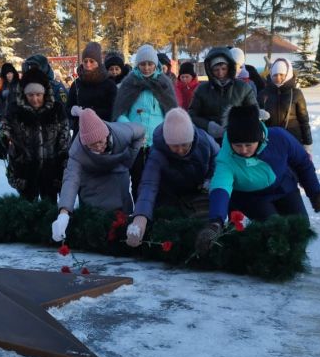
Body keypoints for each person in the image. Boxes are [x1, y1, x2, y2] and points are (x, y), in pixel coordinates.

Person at [196, 104, 320, 255]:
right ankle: (276, 266)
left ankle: (295, 262)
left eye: (248, 145)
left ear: (259, 138)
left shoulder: (279, 138)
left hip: (284, 188)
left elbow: (302, 162)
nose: (243, 150)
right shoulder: (226, 158)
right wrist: (215, 222)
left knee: (300, 227)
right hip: (253, 198)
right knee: (276, 231)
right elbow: (220, 187)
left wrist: (314, 192)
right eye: (238, 145)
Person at [125, 108, 219, 247]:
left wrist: (210, 180)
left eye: (184, 145)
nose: (180, 150)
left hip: (198, 192)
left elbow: (219, 161)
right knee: (167, 227)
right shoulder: (157, 153)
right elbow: (149, 185)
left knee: (203, 222)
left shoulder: (205, 142)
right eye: (174, 146)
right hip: (168, 195)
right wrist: (140, 218)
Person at [51, 108, 145, 241]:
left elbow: (140, 131)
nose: (99, 147)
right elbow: (71, 180)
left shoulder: (121, 132)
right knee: (94, 227)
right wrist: (63, 214)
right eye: (92, 145)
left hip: (117, 176)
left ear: (106, 135)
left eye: (101, 142)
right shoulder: (77, 151)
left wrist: (129, 159)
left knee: (121, 222)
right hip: (91, 181)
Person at [0, 66, 70, 202]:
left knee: (49, 210)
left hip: (51, 171)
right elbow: (3, 129)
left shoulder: (56, 110)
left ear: (45, 93)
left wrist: (63, 164)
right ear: (24, 94)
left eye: (38, 95)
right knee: (27, 211)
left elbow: (64, 139)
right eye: (30, 95)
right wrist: (0, 143)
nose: (35, 99)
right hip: (24, 171)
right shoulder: (15, 110)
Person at [112, 44, 177, 200]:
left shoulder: (164, 83)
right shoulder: (129, 84)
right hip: (136, 143)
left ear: (156, 64)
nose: (147, 68)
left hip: (158, 142)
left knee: (159, 180)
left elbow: (172, 113)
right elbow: (119, 112)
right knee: (138, 180)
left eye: (150, 64)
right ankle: (139, 216)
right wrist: (130, 127)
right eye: (143, 64)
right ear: (137, 64)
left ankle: (157, 215)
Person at [188, 46, 258, 145]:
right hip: (208, 140)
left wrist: (237, 125)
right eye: (216, 70)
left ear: (229, 67)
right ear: (210, 70)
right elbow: (192, 115)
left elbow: (253, 112)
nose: (220, 73)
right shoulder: (202, 89)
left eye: (223, 68)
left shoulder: (243, 88)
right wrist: (209, 126)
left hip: (237, 141)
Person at [259, 58, 313, 154]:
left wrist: (307, 144)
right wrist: (258, 114)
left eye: (281, 74)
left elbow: (304, 120)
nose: (278, 78)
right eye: (275, 75)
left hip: (293, 141)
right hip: (270, 141)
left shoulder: (296, 94)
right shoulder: (263, 94)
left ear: (287, 74)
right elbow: (255, 116)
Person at [66, 41, 117, 135]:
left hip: (103, 133)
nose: (88, 64)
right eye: (85, 61)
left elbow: (114, 110)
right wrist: (74, 111)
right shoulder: (77, 84)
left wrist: (89, 113)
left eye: (92, 61)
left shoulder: (109, 84)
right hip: (80, 133)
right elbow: (67, 108)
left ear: (98, 62)